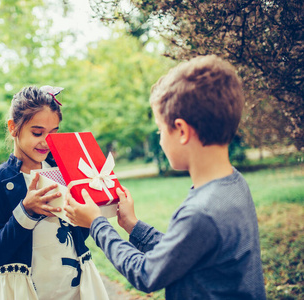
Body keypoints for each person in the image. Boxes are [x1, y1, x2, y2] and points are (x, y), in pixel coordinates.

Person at [64, 55, 267, 299]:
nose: (160, 139)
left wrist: (97, 224)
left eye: (161, 129)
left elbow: (146, 274)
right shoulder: (234, 183)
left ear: (181, 130)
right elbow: (181, 252)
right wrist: (133, 226)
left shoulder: (201, 212)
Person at [0, 86, 109, 300]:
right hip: (26, 292)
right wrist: (25, 212)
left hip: (76, 287)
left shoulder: (64, 169)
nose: (47, 141)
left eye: (53, 133)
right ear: (13, 128)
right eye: (37, 133)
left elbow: (81, 235)